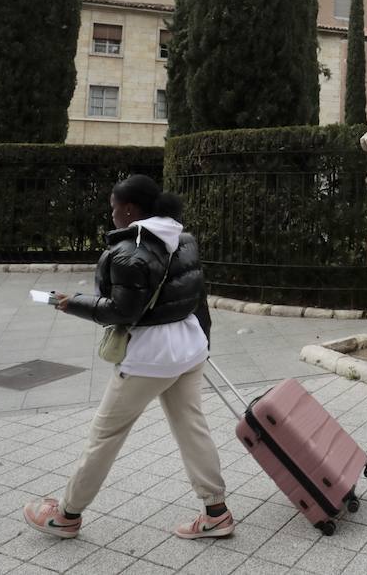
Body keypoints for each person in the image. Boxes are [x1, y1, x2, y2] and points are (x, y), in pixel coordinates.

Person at [22, 174, 233, 540]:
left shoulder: (129, 251)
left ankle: (66, 515)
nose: (113, 215)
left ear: (130, 209)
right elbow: (197, 297)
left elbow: (122, 311)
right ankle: (216, 512)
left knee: (105, 435)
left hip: (149, 358)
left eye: (114, 208)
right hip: (189, 347)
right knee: (192, 427)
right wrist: (203, 343)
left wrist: (73, 304)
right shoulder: (184, 240)